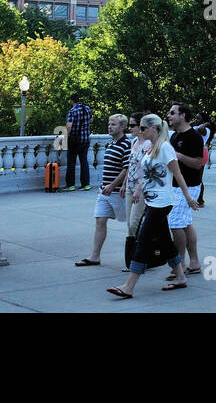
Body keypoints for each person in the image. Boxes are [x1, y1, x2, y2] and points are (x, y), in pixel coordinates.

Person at [106, 114, 200, 297]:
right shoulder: (152, 147)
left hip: (162, 202)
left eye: (142, 128)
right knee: (165, 240)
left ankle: (129, 286)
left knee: (143, 240)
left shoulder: (165, 148)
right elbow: (147, 174)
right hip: (151, 200)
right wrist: (139, 190)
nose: (139, 131)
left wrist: (188, 197)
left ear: (154, 128)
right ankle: (180, 276)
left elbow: (178, 174)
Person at [75, 113, 131, 267]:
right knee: (100, 221)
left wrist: (113, 185)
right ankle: (94, 256)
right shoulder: (111, 143)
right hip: (104, 191)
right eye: (109, 124)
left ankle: (139, 257)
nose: (109, 127)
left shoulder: (127, 144)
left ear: (122, 127)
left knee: (132, 225)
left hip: (118, 192)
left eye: (113, 124)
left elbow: (126, 169)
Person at [166, 103, 205, 278]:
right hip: (175, 186)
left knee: (175, 223)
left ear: (183, 116)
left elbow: (198, 163)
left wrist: (179, 156)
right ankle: (194, 262)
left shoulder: (194, 137)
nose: (169, 115)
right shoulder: (174, 136)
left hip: (189, 186)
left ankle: (179, 264)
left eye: (172, 113)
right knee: (185, 222)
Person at [121, 113, 151, 272]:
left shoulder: (148, 145)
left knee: (135, 223)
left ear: (141, 127)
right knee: (130, 224)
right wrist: (124, 184)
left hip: (141, 190)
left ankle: (138, 260)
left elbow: (147, 170)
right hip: (130, 188)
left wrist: (139, 189)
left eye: (132, 125)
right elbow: (130, 166)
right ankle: (136, 259)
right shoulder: (133, 142)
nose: (129, 128)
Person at [65, 94, 93, 191]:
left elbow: (69, 126)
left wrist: (65, 136)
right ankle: (86, 184)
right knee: (84, 161)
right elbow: (91, 120)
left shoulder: (72, 111)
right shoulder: (87, 109)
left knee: (71, 162)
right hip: (85, 139)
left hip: (74, 140)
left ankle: (70, 185)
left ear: (72, 101)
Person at [191, 112, 216, 206]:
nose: (196, 120)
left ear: (203, 121)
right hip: (194, 153)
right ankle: (195, 198)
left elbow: (201, 128)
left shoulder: (205, 129)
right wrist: (194, 122)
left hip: (200, 154)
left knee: (198, 178)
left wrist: (207, 123)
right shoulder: (195, 127)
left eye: (198, 118)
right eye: (195, 118)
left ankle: (200, 200)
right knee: (193, 177)